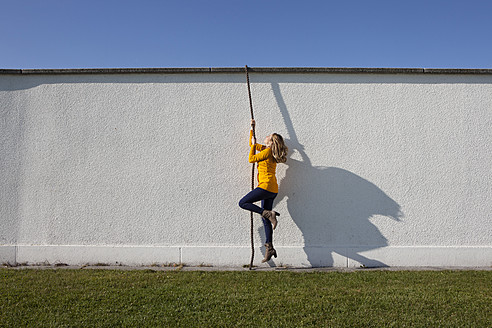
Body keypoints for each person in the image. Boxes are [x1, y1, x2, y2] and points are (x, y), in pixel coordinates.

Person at [238, 119, 288, 262]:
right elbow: (252, 145)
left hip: (265, 186)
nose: (266, 137)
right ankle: (270, 247)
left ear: (271, 142)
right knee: (266, 219)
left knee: (243, 202)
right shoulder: (269, 152)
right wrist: (251, 130)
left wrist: (253, 145)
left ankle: (268, 213)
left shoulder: (266, 152)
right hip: (273, 189)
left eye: (269, 136)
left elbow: (251, 158)